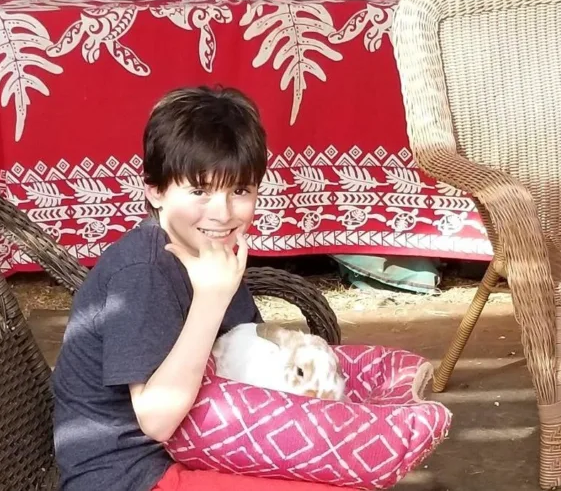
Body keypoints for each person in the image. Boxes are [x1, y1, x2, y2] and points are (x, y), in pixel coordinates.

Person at [51, 86, 343, 491]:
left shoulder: (212, 253)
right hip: (131, 474)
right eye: (200, 191)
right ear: (155, 189)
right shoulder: (143, 271)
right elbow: (156, 419)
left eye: (240, 190)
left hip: (200, 447)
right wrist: (210, 299)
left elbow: (241, 354)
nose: (222, 214)